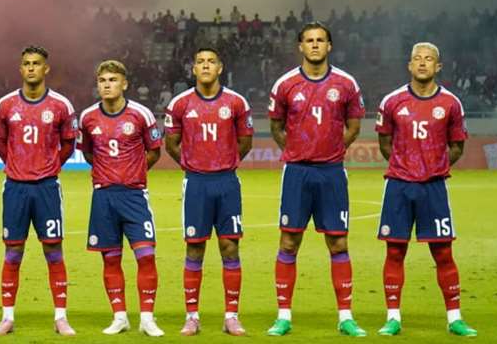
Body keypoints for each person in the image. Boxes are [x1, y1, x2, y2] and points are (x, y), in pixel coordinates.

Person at [267, 22, 366, 337]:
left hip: (332, 172)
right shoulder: (285, 84)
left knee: (338, 242)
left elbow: (354, 126)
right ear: (300, 46)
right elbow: (276, 126)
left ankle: (345, 317)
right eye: (309, 40)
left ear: (329, 46)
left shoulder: (346, 83)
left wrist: (334, 149)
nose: (314, 45)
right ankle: (283, 316)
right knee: (289, 242)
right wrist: (296, 150)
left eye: (320, 40)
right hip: (297, 172)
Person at [374, 43, 477, 337]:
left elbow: (457, 146)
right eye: (417, 58)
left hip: (434, 188)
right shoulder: (392, 101)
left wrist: (434, 167)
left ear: (438, 67)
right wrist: (406, 167)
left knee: (443, 252)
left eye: (429, 59)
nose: (422, 63)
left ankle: (454, 319)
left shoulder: (451, 103)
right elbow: (385, 143)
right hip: (399, 186)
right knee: (395, 251)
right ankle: (393, 318)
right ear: (409, 65)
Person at [0, 45, 78, 336]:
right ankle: (7, 318)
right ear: (20, 68)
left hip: (47, 188)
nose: (31, 68)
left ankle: (61, 317)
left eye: (36, 63)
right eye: (26, 63)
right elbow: (0, 143)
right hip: (15, 187)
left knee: (53, 249)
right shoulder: (6, 105)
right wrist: (16, 165)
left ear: (45, 68)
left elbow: (68, 144)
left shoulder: (61, 105)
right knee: (13, 251)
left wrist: (50, 166)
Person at [164, 48, 253, 336]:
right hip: (196, 184)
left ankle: (231, 317)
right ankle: (192, 316)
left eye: (211, 62)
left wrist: (225, 162)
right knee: (194, 247)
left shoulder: (236, 102)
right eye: (200, 62)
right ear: (193, 69)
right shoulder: (180, 104)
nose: (205, 66)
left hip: (227, 182)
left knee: (230, 247)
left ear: (220, 68)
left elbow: (245, 142)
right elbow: (171, 143)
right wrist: (192, 165)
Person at [78, 60, 165, 336]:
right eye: (103, 80)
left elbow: (154, 151)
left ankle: (147, 318)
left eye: (113, 80)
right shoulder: (88, 117)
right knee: (110, 260)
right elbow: (88, 152)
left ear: (124, 84)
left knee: (146, 256)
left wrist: (134, 172)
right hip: (103, 197)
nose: (107, 85)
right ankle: (119, 317)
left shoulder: (141, 114)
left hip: (134, 196)